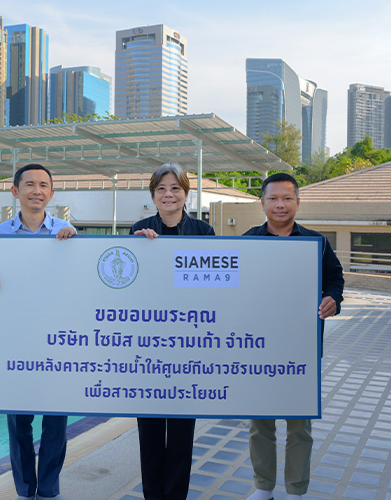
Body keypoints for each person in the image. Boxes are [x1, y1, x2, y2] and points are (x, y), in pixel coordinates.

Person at [244, 172, 344, 500]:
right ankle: (264, 487)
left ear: (298, 202)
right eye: (273, 198)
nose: (280, 204)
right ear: (262, 203)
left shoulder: (317, 243)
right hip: (259, 349)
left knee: (300, 424)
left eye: (287, 198)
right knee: (261, 423)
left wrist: (333, 298)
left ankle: (296, 489)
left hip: (301, 349)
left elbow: (335, 278)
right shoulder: (247, 242)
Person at [0, 163, 76, 500]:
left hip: (56, 340)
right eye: (30, 184)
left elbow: (77, 282)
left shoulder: (66, 231)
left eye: (44, 185)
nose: (37, 190)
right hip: (16, 339)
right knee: (18, 421)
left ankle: (48, 488)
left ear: (51, 192)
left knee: (56, 421)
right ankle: (25, 489)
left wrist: (75, 247)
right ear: (15, 191)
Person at [129, 162, 214, 500]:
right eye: (161, 189)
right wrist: (139, 250)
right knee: (149, 433)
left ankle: (176, 495)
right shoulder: (139, 230)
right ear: (153, 195)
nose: (168, 194)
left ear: (186, 194)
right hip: (148, 349)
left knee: (181, 434)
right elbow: (128, 285)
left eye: (175, 188)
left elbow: (213, 286)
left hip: (187, 348)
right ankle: (152, 495)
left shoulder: (203, 232)